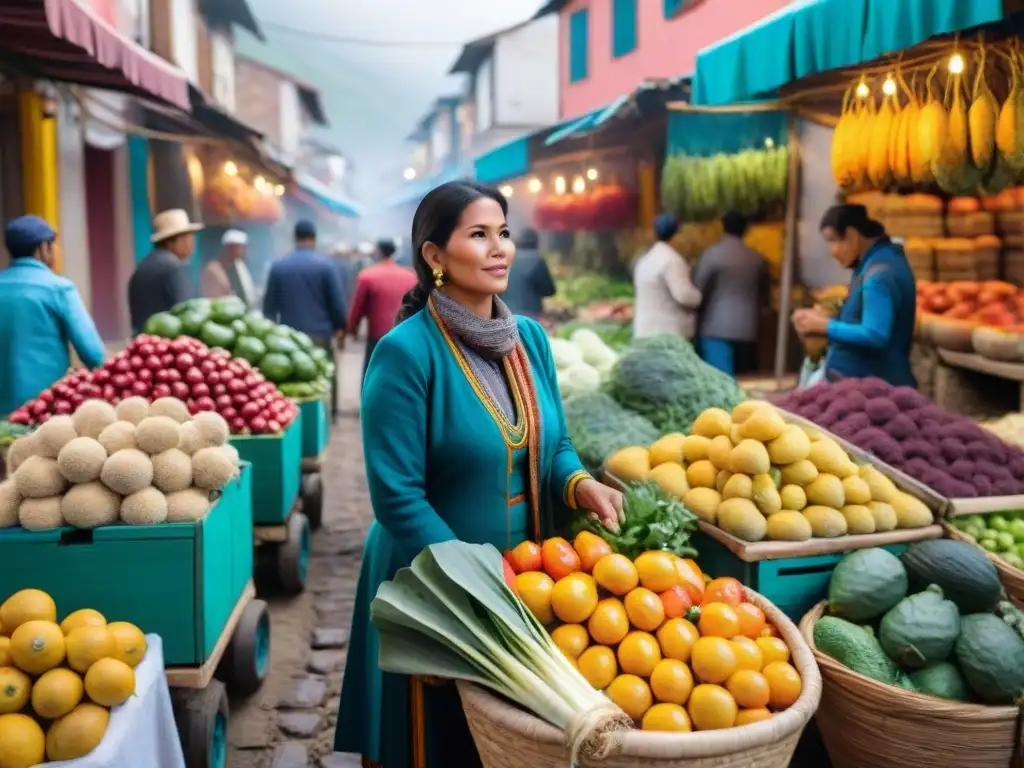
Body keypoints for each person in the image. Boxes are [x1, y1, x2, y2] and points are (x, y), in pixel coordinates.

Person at [333, 181, 623, 768]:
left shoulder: (531, 341)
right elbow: (398, 498)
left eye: (505, 233)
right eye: (479, 235)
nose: (500, 249)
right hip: (434, 579)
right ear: (435, 257)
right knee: (437, 740)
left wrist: (578, 482)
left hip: (533, 576)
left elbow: (555, 444)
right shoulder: (405, 354)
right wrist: (475, 582)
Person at [792, 204, 917, 387]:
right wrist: (831, 316)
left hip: (874, 389)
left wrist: (825, 326)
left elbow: (875, 334)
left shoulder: (880, 275)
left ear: (851, 235)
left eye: (833, 240)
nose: (832, 252)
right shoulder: (877, 264)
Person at [0, 215, 105, 415]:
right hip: (43, 410)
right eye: (52, 245)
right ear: (42, 248)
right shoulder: (58, 288)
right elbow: (93, 354)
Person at [263, 220, 347, 417]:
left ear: (294, 238)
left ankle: (291, 416)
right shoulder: (326, 266)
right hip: (319, 335)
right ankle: (327, 414)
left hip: (288, 336)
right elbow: (336, 302)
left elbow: (268, 307)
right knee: (322, 376)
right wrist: (340, 327)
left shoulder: (278, 266)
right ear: (314, 239)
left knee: (291, 379)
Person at [691, 211, 768, 376]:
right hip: (749, 329)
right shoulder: (757, 259)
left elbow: (698, 290)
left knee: (720, 381)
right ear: (746, 230)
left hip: (716, 329)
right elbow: (764, 294)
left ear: (723, 227)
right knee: (745, 382)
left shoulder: (712, 255)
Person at [347, 238, 418, 379]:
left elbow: (357, 307)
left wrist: (352, 329)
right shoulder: (411, 277)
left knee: (374, 375)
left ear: (378, 251)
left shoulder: (367, 276)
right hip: (406, 336)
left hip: (377, 336)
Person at [128, 208, 203, 333]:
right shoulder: (173, 267)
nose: (192, 242)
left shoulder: (144, 266)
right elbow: (189, 315)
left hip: (147, 344)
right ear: (172, 241)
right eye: (188, 237)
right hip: (168, 344)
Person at [632, 213, 702, 339]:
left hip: (645, 331)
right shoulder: (671, 260)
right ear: (675, 235)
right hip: (666, 332)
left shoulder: (645, 259)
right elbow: (684, 296)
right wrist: (700, 297)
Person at [499, 228, 556, 319]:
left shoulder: (506, 258)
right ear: (536, 242)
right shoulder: (537, 260)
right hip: (530, 315)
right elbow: (549, 290)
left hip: (505, 313)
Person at [202, 229, 257, 308]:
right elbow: (214, 300)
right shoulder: (213, 270)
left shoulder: (236, 267)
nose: (243, 251)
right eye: (240, 247)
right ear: (230, 248)